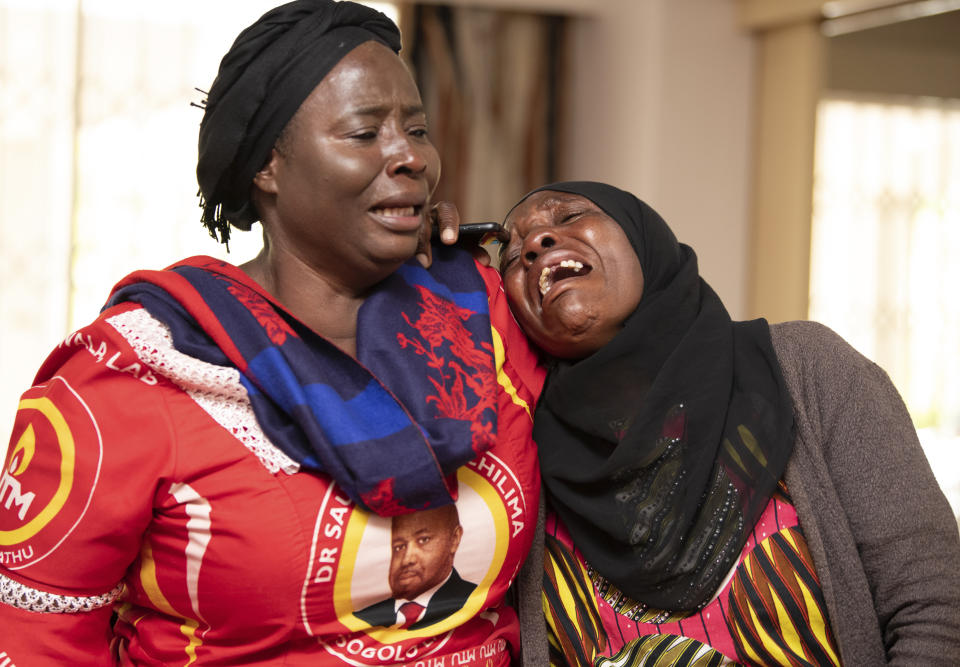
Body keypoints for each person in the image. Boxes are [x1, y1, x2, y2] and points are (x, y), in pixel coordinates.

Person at [0, 2, 543, 665]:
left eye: (417, 129)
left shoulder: (481, 310)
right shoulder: (134, 377)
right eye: (364, 133)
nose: (411, 157)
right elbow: (35, 638)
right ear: (268, 168)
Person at [493, 181, 960, 665]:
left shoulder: (810, 369)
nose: (534, 244)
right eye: (511, 253)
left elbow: (935, 610)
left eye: (567, 216)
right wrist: (424, 266)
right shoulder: (513, 443)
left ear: (643, 238)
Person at [355, 504, 477, 630]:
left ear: (454, 539)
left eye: (423, 540)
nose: (407, 559)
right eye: (399, 547)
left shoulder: (478, 600)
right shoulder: (361, 620)